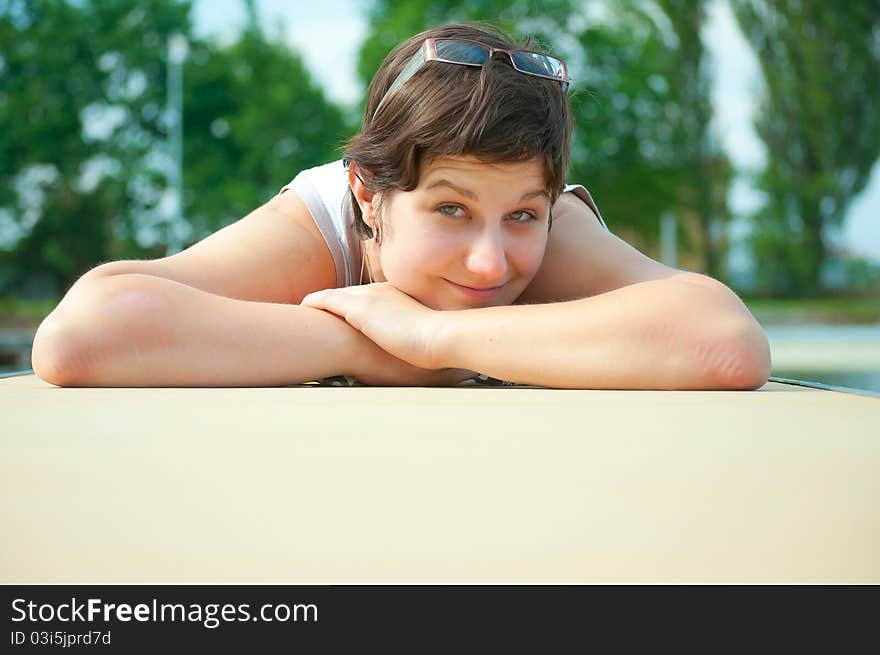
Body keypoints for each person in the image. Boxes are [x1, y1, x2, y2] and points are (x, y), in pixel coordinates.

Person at [31, 22, 770, 390]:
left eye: (522, 215)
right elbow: (78, 336)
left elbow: (724, 341)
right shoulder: (320, 225)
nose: (492, 259)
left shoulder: (554, 230)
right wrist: (365, 343)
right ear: (368, 192)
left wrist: (430, 337)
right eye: (450, 209)